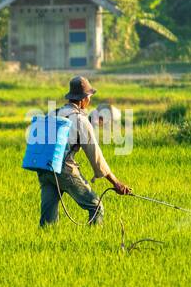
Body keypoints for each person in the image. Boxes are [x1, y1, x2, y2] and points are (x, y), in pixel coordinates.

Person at [38, 76, 132, 227]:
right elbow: (96, 157)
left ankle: (43, 243)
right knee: (96, 207)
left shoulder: (53, 114)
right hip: (64, 169)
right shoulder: (81, 121)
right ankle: (94, 241)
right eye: (89, 97)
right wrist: (116, 183)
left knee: (48, 219)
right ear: (83, 99)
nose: (89, 100)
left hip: (45, 169)